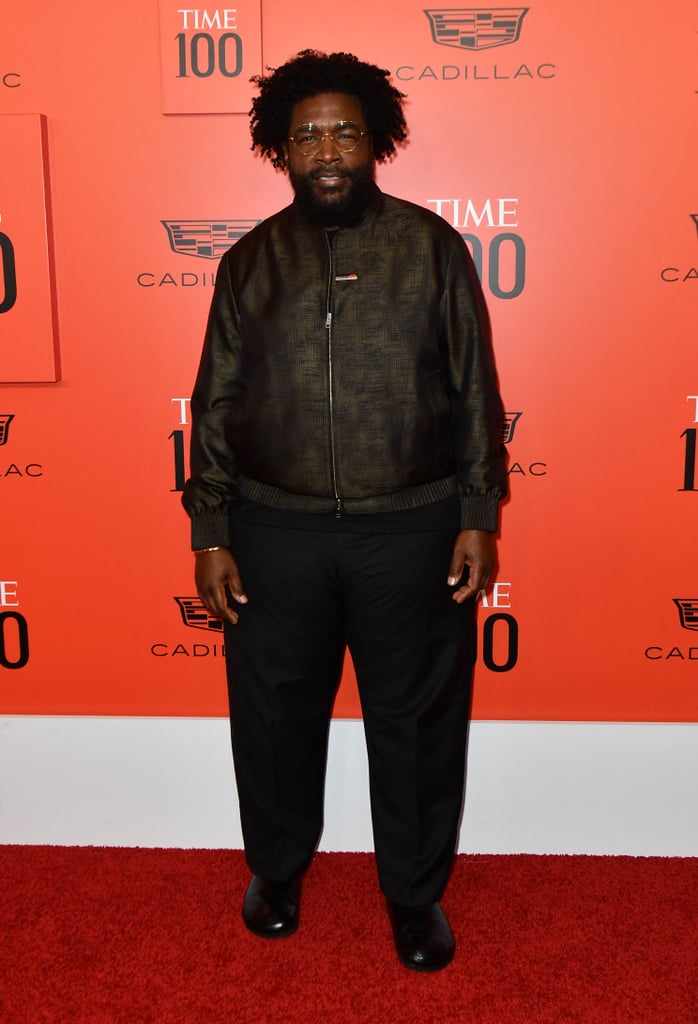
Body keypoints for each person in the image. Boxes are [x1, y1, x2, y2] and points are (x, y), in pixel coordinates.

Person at [182, 49, 507, 972]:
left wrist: (477, 510)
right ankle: (277, 871)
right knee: (276, 717)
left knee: (415, 724)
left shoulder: (431, 247)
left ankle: (413, 895)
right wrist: (211, 530)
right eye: (308, 135)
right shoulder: (248, 263)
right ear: (279, 149)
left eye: (345, 133)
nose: (327, 150)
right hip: (273, 530)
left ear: (378, 142)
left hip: (412, 527)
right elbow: (212, 401)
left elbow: (474, 388)